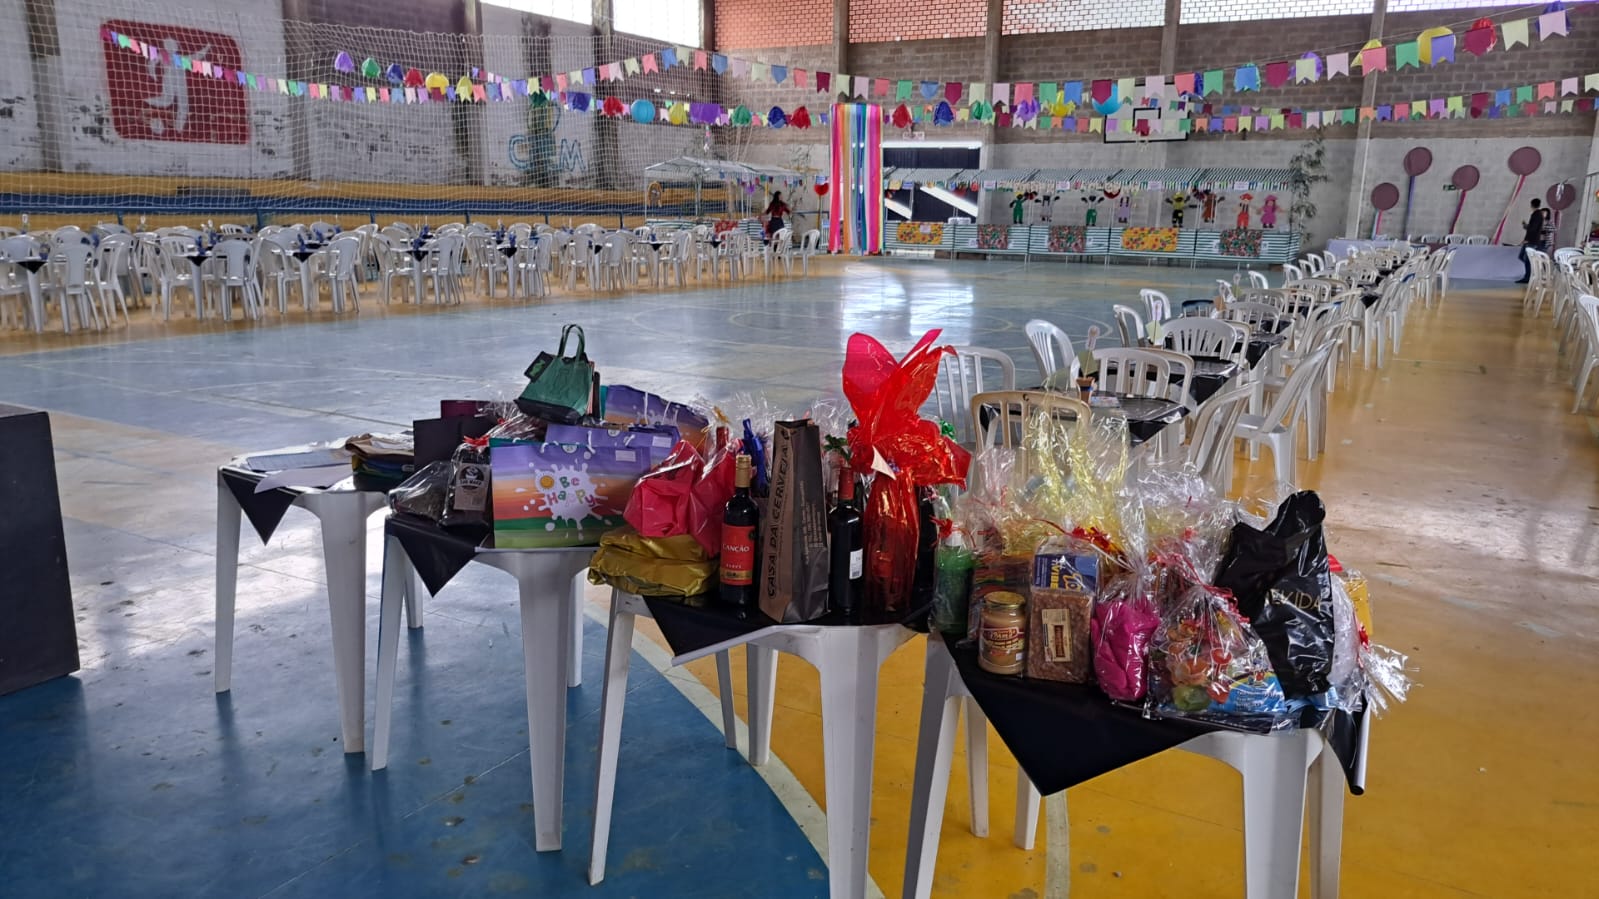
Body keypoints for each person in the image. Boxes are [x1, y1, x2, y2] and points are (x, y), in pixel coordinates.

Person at [1516, 198, 1551, 284]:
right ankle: (1531, 273)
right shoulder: (1537, 214)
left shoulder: (1537, 215)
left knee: (1528, 259)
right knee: (1522, 257)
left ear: (1531, 205)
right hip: (1531, 240)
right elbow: (1532, 228)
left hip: (1532, 241)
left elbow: (1533, 229)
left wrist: (1526, 238)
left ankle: (1528, 276)